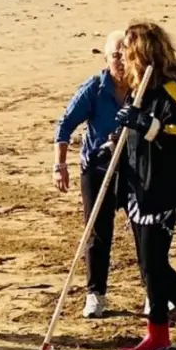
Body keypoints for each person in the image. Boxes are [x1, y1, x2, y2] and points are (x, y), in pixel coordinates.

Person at [112, 19, 176, 350]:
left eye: (127, 52)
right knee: (148, 264)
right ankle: (162, 332)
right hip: (139, 187)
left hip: (165, 190)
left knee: (156, 263)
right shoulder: (139, 90)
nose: (123, 58)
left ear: (139, 52)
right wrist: (117, 143)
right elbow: (136, 140)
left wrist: (147, 124)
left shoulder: (170, 89)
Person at [53, 30, 132, 319]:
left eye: (126, 55)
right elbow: (64, 126)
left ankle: (154, 294)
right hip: (98, 169)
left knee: (144, 230)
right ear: (106, 57)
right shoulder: (95, 89)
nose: (121, 61)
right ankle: (95, 294)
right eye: (115, 56)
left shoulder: (143, 87)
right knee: (98, 233)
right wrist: (59, 165)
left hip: (133, 168)